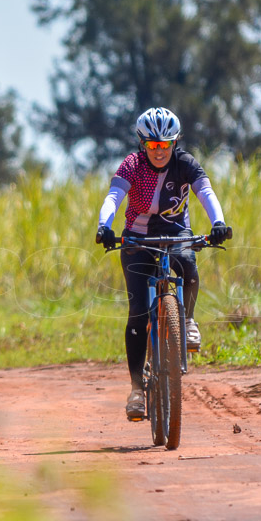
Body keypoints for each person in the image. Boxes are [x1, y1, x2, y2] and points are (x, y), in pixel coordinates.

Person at [95, 107, 233, 420]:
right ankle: (136, 389)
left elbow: (206, 192)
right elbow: (114, 197)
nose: (160, 151)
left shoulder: (185, 163)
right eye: (153, 146)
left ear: (175, 143)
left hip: (175, 231)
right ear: (143, 145)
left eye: (166, 144)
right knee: (138, 312)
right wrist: (105, 226)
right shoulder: (132, 165)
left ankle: (187, 321)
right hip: (137, 237)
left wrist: (219, 222)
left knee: (188, 263)